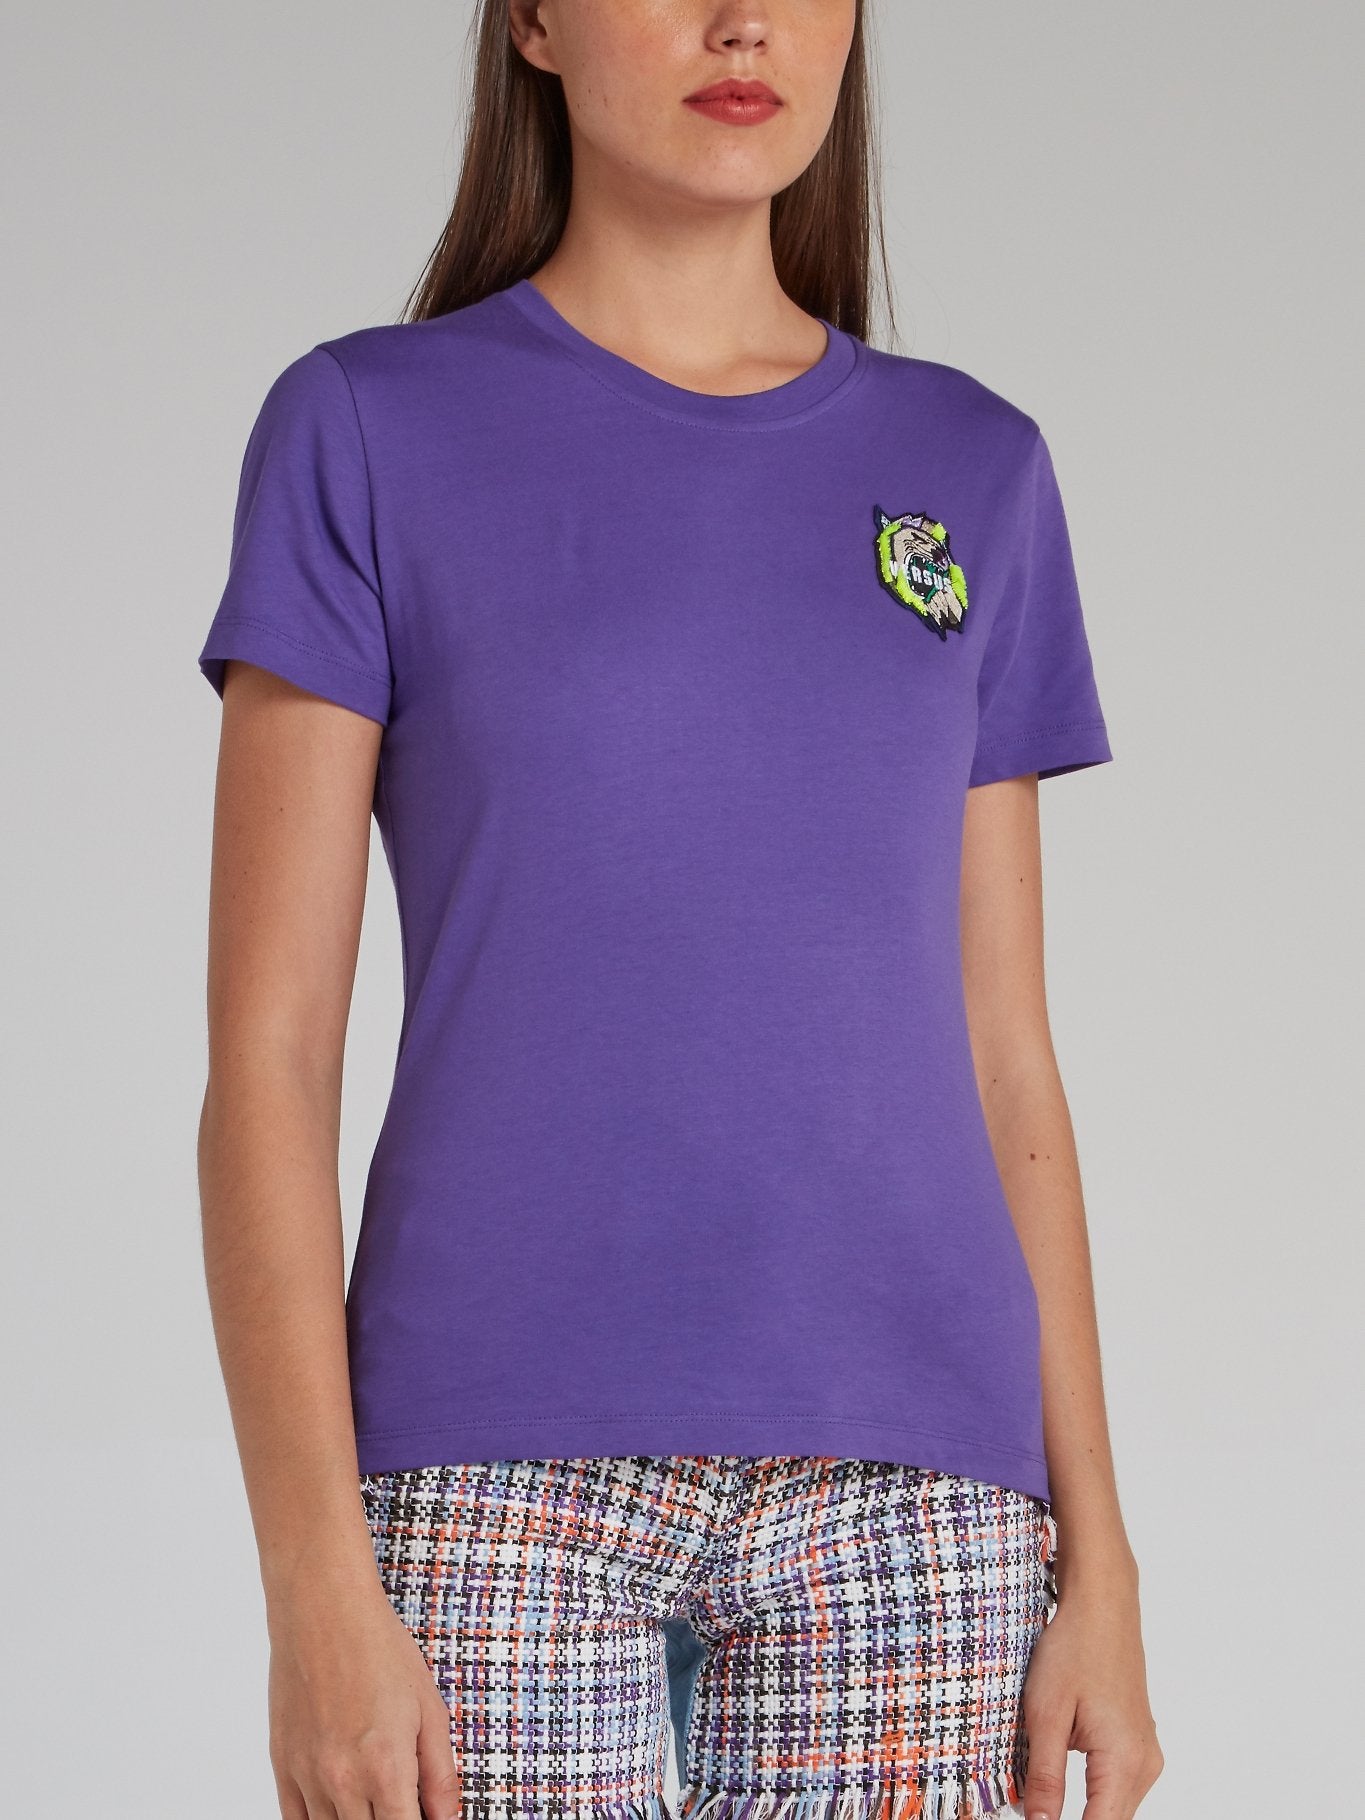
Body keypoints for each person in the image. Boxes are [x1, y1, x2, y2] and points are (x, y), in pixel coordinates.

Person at [195, 4, 1164, 1820]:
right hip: (490, 1475)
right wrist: (310, 1575)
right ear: (534, 23)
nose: (744, 22)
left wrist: (1097, 1552)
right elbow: (269, 1057)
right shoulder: (367, 430)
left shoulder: (974, 467)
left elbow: (1005, 1057)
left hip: (917, 1491)